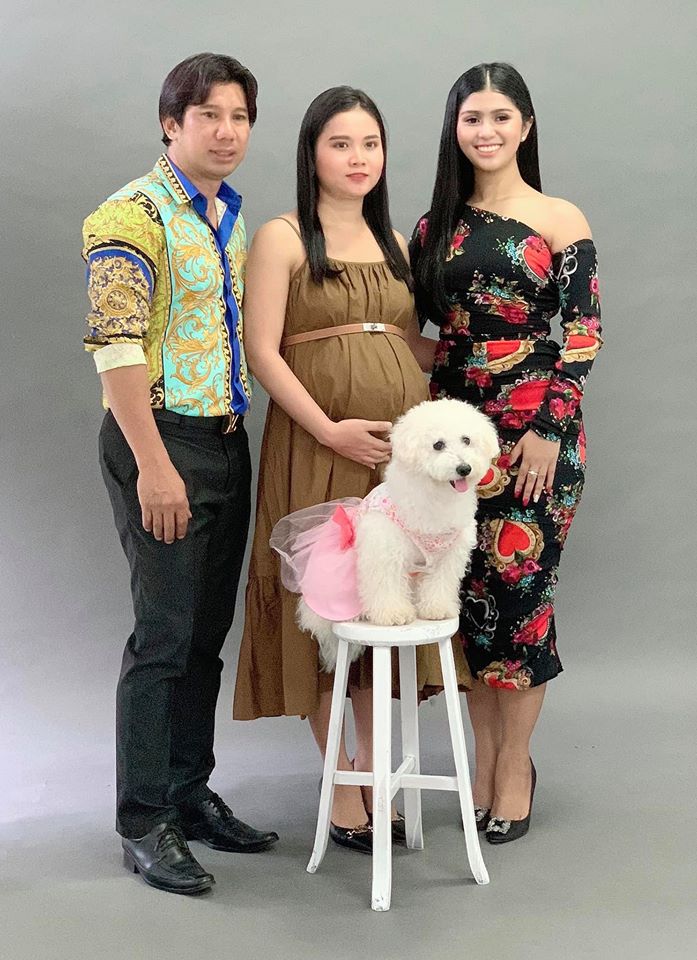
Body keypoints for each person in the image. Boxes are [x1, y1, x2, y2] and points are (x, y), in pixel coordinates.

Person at [232, 86, 471, 852]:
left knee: (383, 605)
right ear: (311, 154)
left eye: (370, 143)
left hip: (396, 464)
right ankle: (341, 788)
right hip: (317, 444)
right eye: (340, 143)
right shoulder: (280, 237)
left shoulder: (394, 240)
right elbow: (262, 350)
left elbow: (406, 343)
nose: (358, 157)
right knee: (331, 603)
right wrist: (328, 429)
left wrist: (503, 352)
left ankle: (372, 774)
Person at [82, 52, 278, 895]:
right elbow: (115, 348)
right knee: (162, 637)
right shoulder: (130, 215)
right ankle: (143, 819)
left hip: (225, 439)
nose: (226, 132)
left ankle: (189, 793)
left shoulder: (228, 216)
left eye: (239, 117)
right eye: (208, 116)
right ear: (171, 123)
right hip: (159, 441)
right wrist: (154, 467)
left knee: (204, 635)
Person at [409, 62, 602, 843]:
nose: (485, 131)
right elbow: (420, 339)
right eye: (470, 118)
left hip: (532, 440)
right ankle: (482, 765)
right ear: (453, 128)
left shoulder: (558, 217)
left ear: (524, 125)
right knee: (466, 608)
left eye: (499, 116)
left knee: (519, 606)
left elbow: (582, 335)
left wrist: (547, 431)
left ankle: (513, 767)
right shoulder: (431, 227)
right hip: (451, 442)